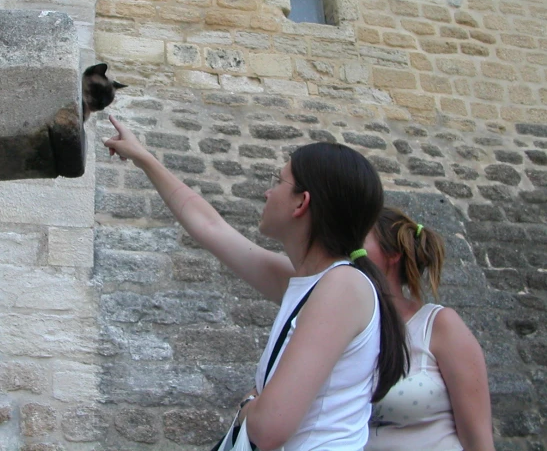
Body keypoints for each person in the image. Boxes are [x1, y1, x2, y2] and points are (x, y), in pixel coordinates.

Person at [103, 115, 409, 450]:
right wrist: (143, 158)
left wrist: (249, 403)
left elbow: (269, 429)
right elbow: (210, 227)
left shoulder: (342, 288)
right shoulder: (313, 281)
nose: (268, 191)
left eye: (278, 181)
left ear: (301, 202)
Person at [364, 207, 495, 451]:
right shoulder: (344, 330)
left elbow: (478, 441)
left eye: (358, 239)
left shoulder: (439, 325)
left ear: (392, 254)